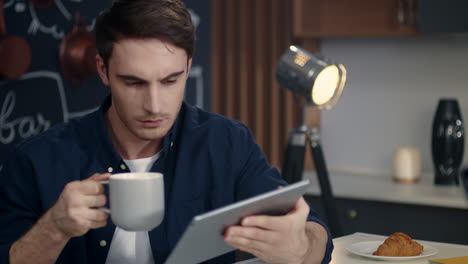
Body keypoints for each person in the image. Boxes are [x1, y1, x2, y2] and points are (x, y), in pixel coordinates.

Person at [0, 0, 332, 263]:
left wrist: (301, 249)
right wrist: (54, 228)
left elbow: (316, 233)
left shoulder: (226, 142)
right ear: (103, 69)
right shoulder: (36, 160)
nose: (155, 105)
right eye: (134, 82)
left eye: (170, 80)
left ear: (188, 67)